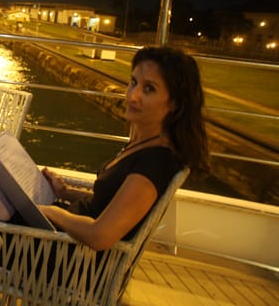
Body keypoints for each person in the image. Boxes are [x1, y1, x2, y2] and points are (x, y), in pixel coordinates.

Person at [38, 46, 209, 251]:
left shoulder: (156, 163)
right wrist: (65, 192)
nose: (132, 96)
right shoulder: (143, 145)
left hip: (64, 257)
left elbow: (99, 236)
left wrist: (50, 212)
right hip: (61, 236)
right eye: (134, 82)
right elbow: (104, 204)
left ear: (174, 102)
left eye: (149, 89)